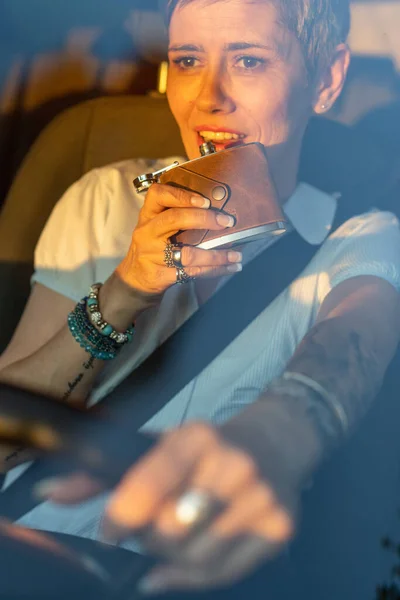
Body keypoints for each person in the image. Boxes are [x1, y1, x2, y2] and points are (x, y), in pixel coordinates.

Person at [0, 0, 400, 595]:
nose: (207, 97)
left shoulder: (361, 237)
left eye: (249, 60)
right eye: (188, 60)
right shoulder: (105, 194)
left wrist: (273, 437)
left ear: (327, 78)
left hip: (169, 575)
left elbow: (353, 341)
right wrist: (125, 289)